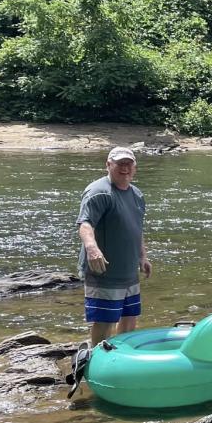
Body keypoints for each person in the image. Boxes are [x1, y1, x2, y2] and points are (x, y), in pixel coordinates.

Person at [77, 146, 151, 346]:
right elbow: (84, 225)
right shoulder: (99, 192)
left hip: (129, 272)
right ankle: (97, 360)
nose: (125, 168)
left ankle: (122, 359)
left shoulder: (136, 194)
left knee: (130, 319)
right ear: (108, 165)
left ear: (135, 167)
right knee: (105, 321)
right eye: (120, 164)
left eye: (129, 164)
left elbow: (135, 228)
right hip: (104, 273)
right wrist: (92, 249)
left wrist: (143, 256)